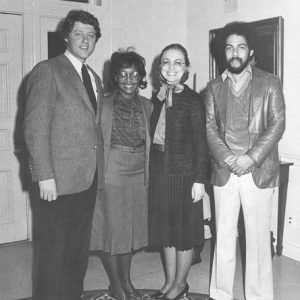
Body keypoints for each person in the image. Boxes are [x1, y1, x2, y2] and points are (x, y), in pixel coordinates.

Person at [24, 10, 104, 300]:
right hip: (55, 183)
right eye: (79, 33)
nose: (85, 40)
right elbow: (35, 127)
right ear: (67, 36)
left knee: (76, 252)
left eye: (91, 35)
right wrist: (44, 175)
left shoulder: (94, 77)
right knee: (52, 255)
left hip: (86, 179)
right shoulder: (48, 70)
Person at [205, 22, 285, 300]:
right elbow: (209, 128)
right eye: (229, 47)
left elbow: (277, 124)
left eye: (240, 47)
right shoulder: (213, 87)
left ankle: (260, 296)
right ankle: (220, 294)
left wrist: (250, 157)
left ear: (250, 50)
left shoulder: (270, 82)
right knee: (223, 238)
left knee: (258, 241)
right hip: (224, 171)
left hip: (258, 171)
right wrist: (229, 158)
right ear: (223, 52)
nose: (235, 53)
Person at [90, 49, 153, 300]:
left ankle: (127, 283)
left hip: (140, 169)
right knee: (113, 229)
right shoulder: (102, 104)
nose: (128, 79)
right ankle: (116, 285)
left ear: (141, 78)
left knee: (128, 231)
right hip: (113, 168)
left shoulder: (148, 105)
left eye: (134, 74)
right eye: (123, 74)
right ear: (115, 77)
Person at [148, 43, 210, 300]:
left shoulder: (194, 99)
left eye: (178, 62)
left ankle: (180, 284)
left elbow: (201, 143)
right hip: (160, 171)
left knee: (183, 232)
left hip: (185, 175)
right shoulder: (157, 96)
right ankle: (169, 282)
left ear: (186, 68)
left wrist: (199, 180)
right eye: (166, 62)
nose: (171, 67)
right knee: (166, 230)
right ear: (159, 67)